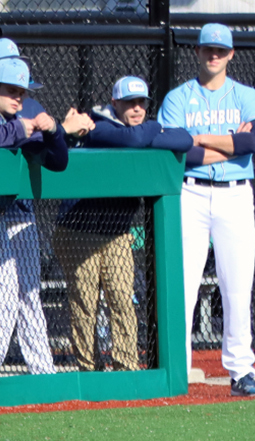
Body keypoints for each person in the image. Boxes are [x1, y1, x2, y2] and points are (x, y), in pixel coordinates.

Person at [161, 23, 255, 398]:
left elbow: (253, 141)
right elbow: (179, 149)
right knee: (183, 284)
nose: (213, 55)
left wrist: (203, 138)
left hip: (236, 195)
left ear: (231, 55)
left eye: (220, 50)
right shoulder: (178, 98)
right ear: (197, 51)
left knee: (237, 285)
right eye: (208, 49)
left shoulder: (246, 96)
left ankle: (241, 372)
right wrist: (229, 143)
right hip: (190, 193)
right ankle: (176, 369)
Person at [59, 76, 193, 372]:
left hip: (116, 232)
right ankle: (88, 369)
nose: (136, 109)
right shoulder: (96, 125)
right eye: (129, 103)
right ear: (115, 103)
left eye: (141, 103)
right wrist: (156, 130)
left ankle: (126, 366)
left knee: (122, 300)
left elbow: (186, 140)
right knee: (85, 303)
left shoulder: (141, 128)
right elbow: (132, 139)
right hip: (78, 227)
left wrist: (151, 131)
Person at [0, 56, 81, 377]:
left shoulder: (19, 116)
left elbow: (57, 162)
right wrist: (17, 129)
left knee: (7, 300)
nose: (18, 98)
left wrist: (55, 131)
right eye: (11, 91)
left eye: (22, 92)